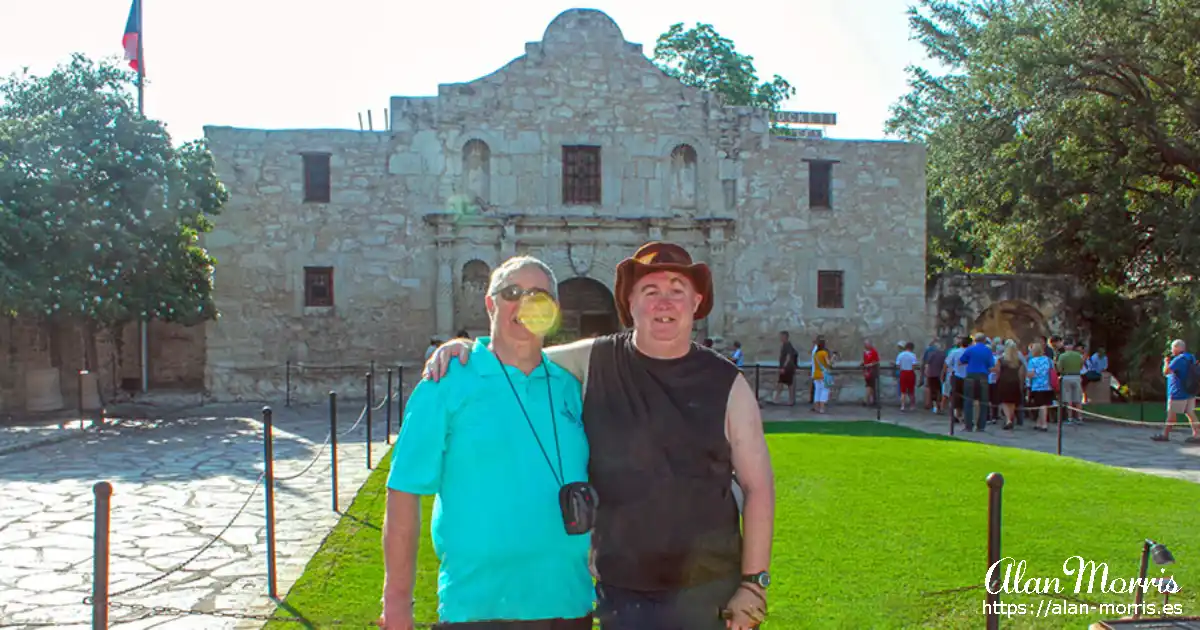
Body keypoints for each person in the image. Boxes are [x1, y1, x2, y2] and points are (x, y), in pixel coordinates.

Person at [424, 242, 774, 630]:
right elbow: (515, 353)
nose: (664, 303)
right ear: (630, 303)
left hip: (708, 590)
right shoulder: (594, 360)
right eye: (650, 291)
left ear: (696, 301)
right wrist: (469, 350)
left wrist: (753, 584)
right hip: (620, 591)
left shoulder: (727, 383)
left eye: (677, 290)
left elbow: (758, 487)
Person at [380, 257, 594, 629]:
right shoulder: (446, 382)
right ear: (490, 304)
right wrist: (397, 603)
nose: (525, 304)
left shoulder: (572, 388)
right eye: (512, 292)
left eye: (538, 295)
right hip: (478, 607)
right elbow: (403, 493)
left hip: (569, 603)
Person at [1153, 339, 1200, 443]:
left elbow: (1166, 372)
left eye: (1172, 348)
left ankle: (1164, 435)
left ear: (1177, 348)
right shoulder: (1191, 357)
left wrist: (1166, 362)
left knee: (1171, 415)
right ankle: (1197, 434)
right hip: (1190, 391)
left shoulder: (1178, 360)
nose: (1171, 350)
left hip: (1177, 392)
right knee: (1190, 413)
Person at [959, 332, 995, 432]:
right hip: (983, 376)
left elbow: (960, 361)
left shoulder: (970, 349)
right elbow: (991, 366)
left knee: (968, 401)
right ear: (984, 340)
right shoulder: (988, 351)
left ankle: (968, 425)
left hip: (971, 376)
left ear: (975, 340)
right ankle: (981, 426)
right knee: (983, 402)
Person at [996, 341, 1025, 430]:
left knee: (1005, 402)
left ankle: (1008, 420)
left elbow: (997, 372)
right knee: (1012, 402)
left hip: (1004, 382)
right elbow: (1021, 375)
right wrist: (1021, 385)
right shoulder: (1019, 362)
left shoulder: (1001, 360)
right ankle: (1010, 418)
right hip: (1015, 383)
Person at [773, 331, 799, 405]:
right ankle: (777, 398)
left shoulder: (787, 345)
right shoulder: (785, 345)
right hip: (787, 368)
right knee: (782, 383)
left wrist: (783, 367)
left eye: (781, 336)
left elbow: (788, 357)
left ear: (785, 337)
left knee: (788, 384)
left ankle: (789, 400)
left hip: (787, 368)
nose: (780, 338)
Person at [895, 342, 918, 412]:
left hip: (903, 372)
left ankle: (902, 406)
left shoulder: (900, 355)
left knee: (903, 391)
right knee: (911, 391)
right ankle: (912, 405)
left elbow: (898, 365)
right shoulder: (913, 355)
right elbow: (914, 366)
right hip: (910, 372)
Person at [813, 338, 834, 414]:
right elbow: (828, 364)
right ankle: (822, 408)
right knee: (824, 391)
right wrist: (833, 358)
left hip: (816, 374)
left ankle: (816, 407)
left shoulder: (816, 353)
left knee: (817, 391)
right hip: (823, 374)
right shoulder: (824, 353)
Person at [861, 339, 881, 406]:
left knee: (869, 385)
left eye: (866, 344)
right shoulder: (865, 352)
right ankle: (871, 400)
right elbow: (865, 360)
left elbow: (876, 361)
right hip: (866, 371)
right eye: (865, 344)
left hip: (872, 371)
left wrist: (869, 365)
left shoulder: (873, 352)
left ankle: (866, 400)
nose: (865, 345)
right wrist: (863, 363)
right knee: (870, 386)